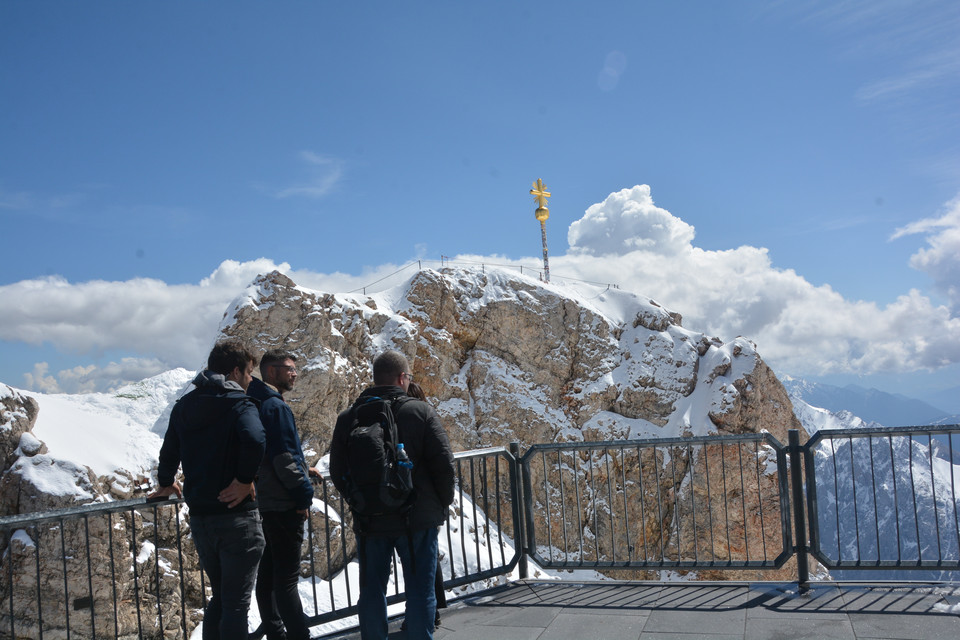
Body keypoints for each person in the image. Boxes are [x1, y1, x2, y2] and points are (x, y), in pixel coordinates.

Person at [330, 350, 455, 640]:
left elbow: (337, 471)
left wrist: (360, 501)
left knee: (372, 590)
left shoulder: (349, 417)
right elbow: (444, 465)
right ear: (402, 378)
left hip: (369, 519)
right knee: (420, 589)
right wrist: (440, 504)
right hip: (416, 520)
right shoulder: (420, 412)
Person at [149, 340, 266, 640]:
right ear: (236, 371)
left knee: (222, 599)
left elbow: (169, 450)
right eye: (249, 372)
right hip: (237, 517)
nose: (251, 379)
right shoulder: (238, 403)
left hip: (201, 519)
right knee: (237, 606)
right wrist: (244, 479)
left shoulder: (185, 405)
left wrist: (165, 483)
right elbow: (254, 439)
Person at [247, 350, 318, 640]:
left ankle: (276, 633)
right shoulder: (275, 406)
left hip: (263, 502)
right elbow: (283, 457)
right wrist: (303, 496)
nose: (295, 373)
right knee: (286, 580)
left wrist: (305, 468)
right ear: (271, 371)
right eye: (289, 368)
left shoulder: (255, 400)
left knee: (267, 574)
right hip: (283, 503)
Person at [403, 381, 446, 630]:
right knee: (427, 563)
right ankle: (430, 614)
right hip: (429, 504)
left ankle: (420, 618)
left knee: (415, 565)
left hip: (408, 504)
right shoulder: (428, 419)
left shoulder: (402, 421)